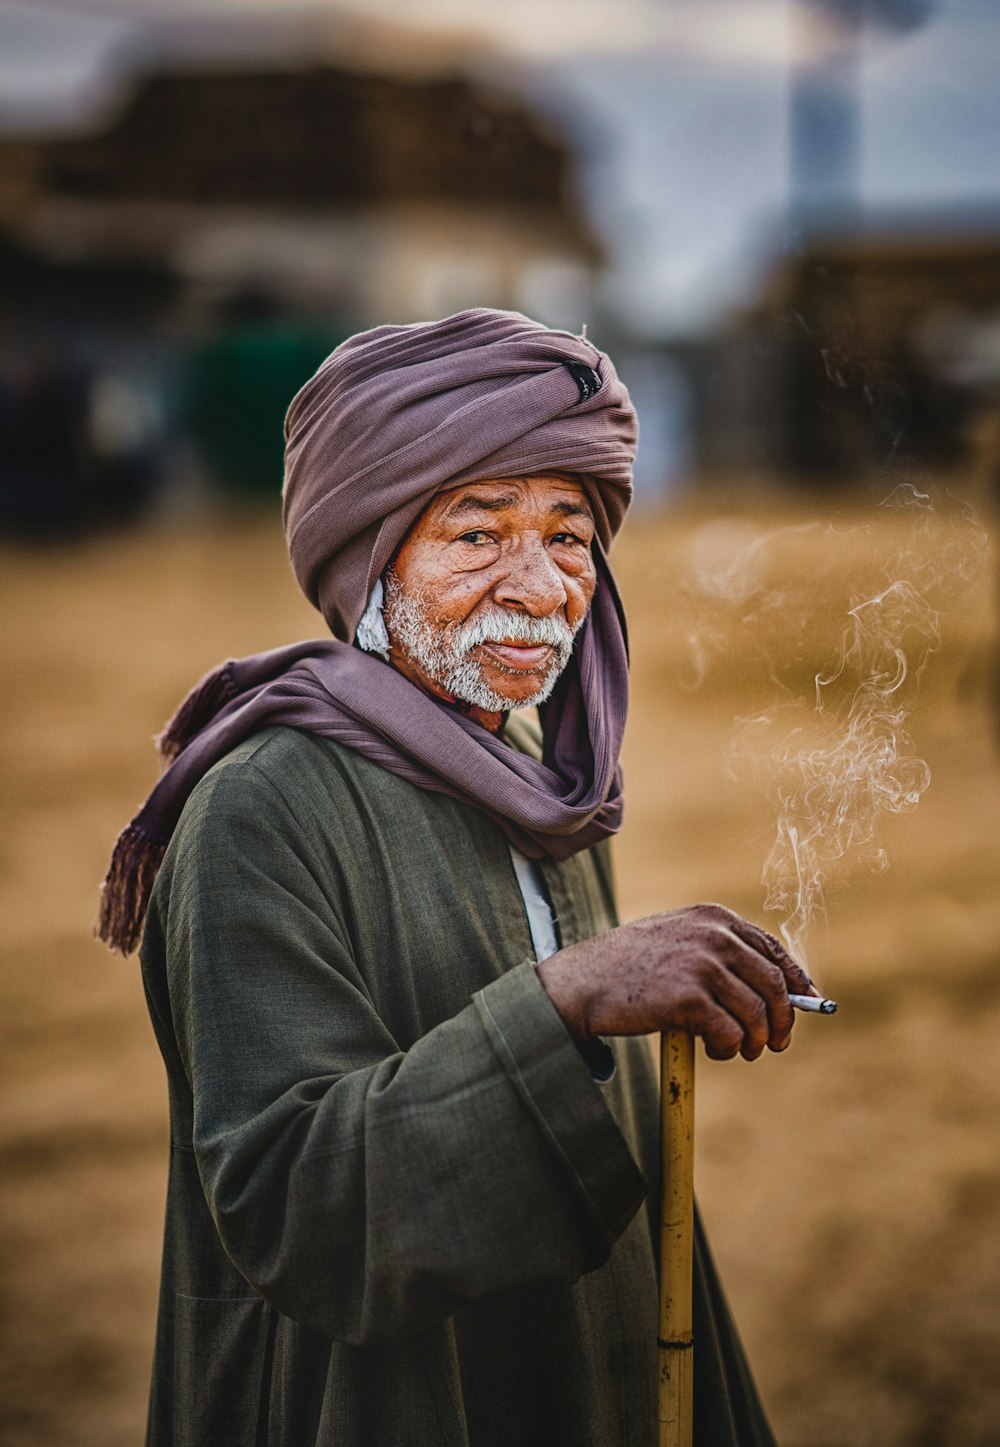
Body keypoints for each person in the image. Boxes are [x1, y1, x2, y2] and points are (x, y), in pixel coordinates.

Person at [99, 309, 812, 1447]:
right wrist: (569, 996)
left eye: (569, 536)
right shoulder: (260, 806)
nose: (539, 586)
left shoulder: (543, 786)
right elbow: (297, 1204)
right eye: (477, 535)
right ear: (367, 555)